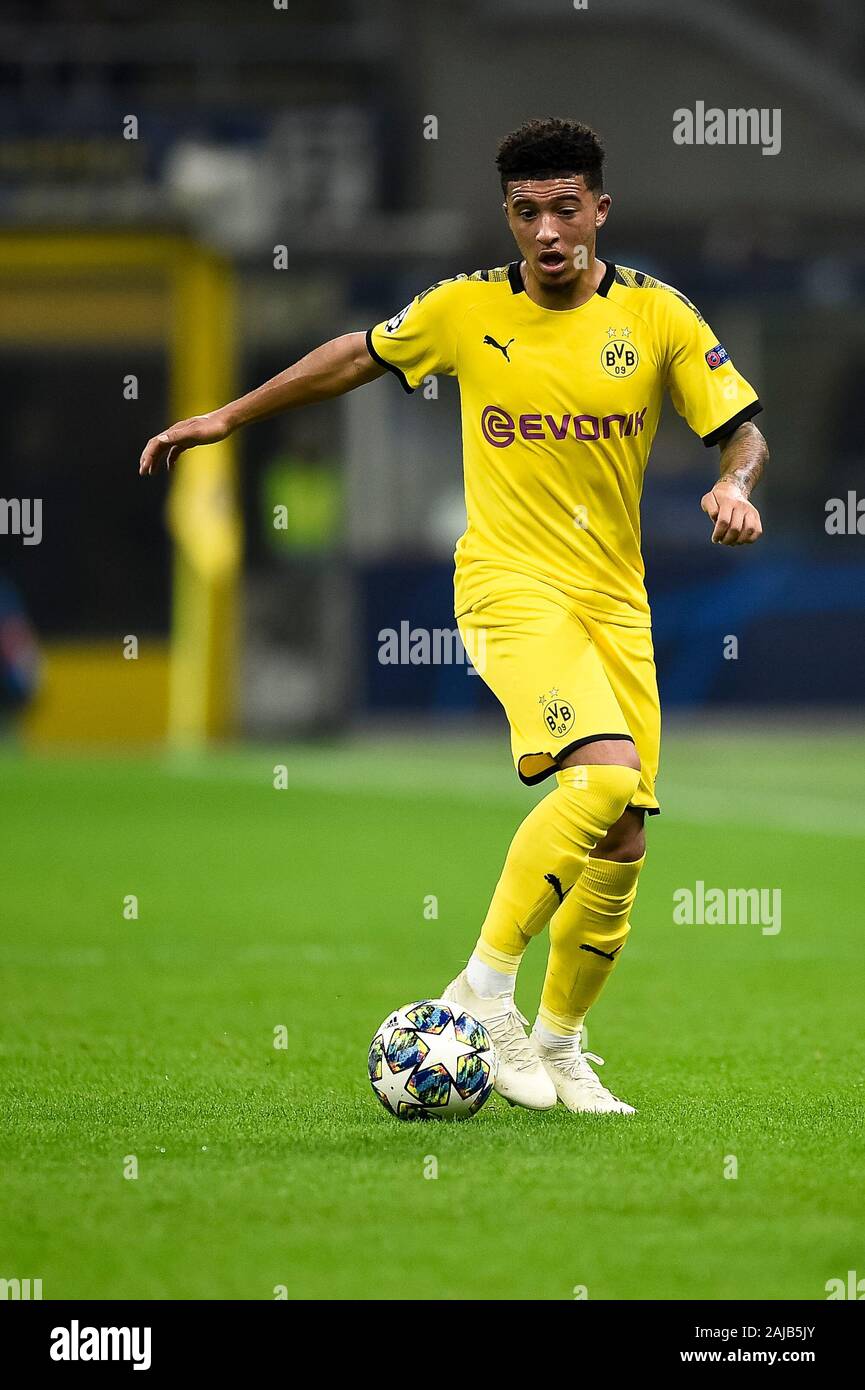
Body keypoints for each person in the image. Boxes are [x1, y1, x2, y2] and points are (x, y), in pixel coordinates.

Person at [140, 117, 767, 1116]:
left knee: (623, 835)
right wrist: (226, 416)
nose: (548, 230)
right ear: (509, 218)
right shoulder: (463, 309)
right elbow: (357, 353)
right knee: (600, 777)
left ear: (599, 210)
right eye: (527, 212)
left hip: (616, 599)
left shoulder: (657, 317)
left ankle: (560, 1046)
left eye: (566, 208)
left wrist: (737, 485)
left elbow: (738, 430)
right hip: (508, 584)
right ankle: (482, 987)